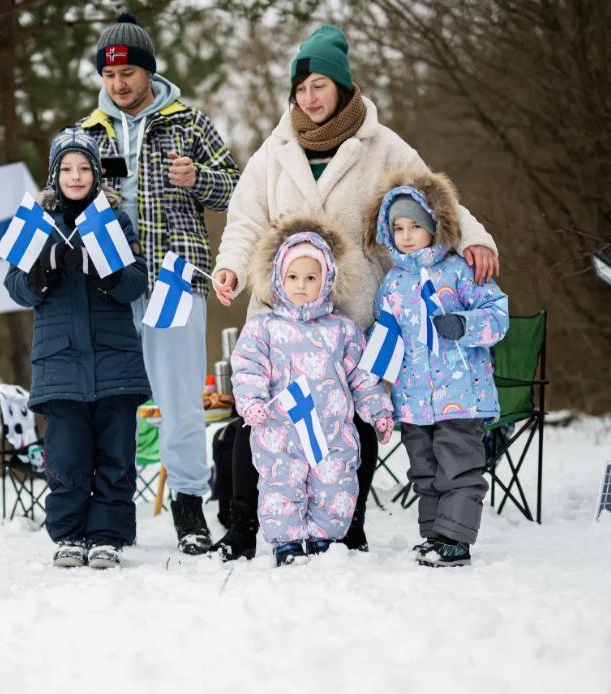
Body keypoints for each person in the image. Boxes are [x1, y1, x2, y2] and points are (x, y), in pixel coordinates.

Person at [211, 24, 501, 558]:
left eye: (319, 85)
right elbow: (245, 222)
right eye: (301, 88)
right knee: (260, 419)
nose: (309, 97)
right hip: (283, 311)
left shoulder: (383, 146)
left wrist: (476, 239)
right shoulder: (274, 150)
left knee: (355, 419)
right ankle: (246, 529)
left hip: (356, 310)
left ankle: (347, 525)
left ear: (342, 88)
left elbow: (432, 200)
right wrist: (229, 266)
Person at [79, 12, 241, 555]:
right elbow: (61, 197)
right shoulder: (86, 134)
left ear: (148, 71)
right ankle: (108, 511)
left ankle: (189, 505)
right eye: (109, 74)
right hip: (109, 284)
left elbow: (237, 191)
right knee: (111, 402)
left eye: (127, 73)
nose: (118, 83)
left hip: (174, 276)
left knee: (178, 399)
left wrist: (200, 179)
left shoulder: (188, 123)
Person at [4, 128, 150, 570]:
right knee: (66, 457)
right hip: (59, 365)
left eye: (84, 167)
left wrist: (106, 272)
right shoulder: (37, 224)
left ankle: (108, 535)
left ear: (97, 173)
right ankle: (69, 533)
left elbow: (135, 282)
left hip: (114, 362)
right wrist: (40, 272)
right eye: (66, 168)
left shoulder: (115, 220)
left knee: (115, 455)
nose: (75, 175)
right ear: (54, 174)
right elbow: (15, 288)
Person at [365, 168, 509, 567]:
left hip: (460, 395)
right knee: (425, 472)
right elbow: (384, 335)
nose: (406, 235)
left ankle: (456, 540)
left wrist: (465, 325)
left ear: (434, 225)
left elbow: (497, 315)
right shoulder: (392, 284)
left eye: (416, 225)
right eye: (398, 227)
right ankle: (435, 536)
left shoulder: (459, 269)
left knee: (458, 466)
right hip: (413, 400)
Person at [230, 214, 394, 565]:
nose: (301, 285)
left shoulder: (343, 329)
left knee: (335, 488)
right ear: (278, 279)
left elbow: (362, 377)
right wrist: (252, 402)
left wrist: (378, 411)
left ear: (327, 280)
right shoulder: (264, 328)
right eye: (292, 277)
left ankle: (325, 541)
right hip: (281, 433)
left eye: (310, 277)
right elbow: (247, 369)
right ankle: (286, 544)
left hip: (331, 433)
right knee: (281, 488)